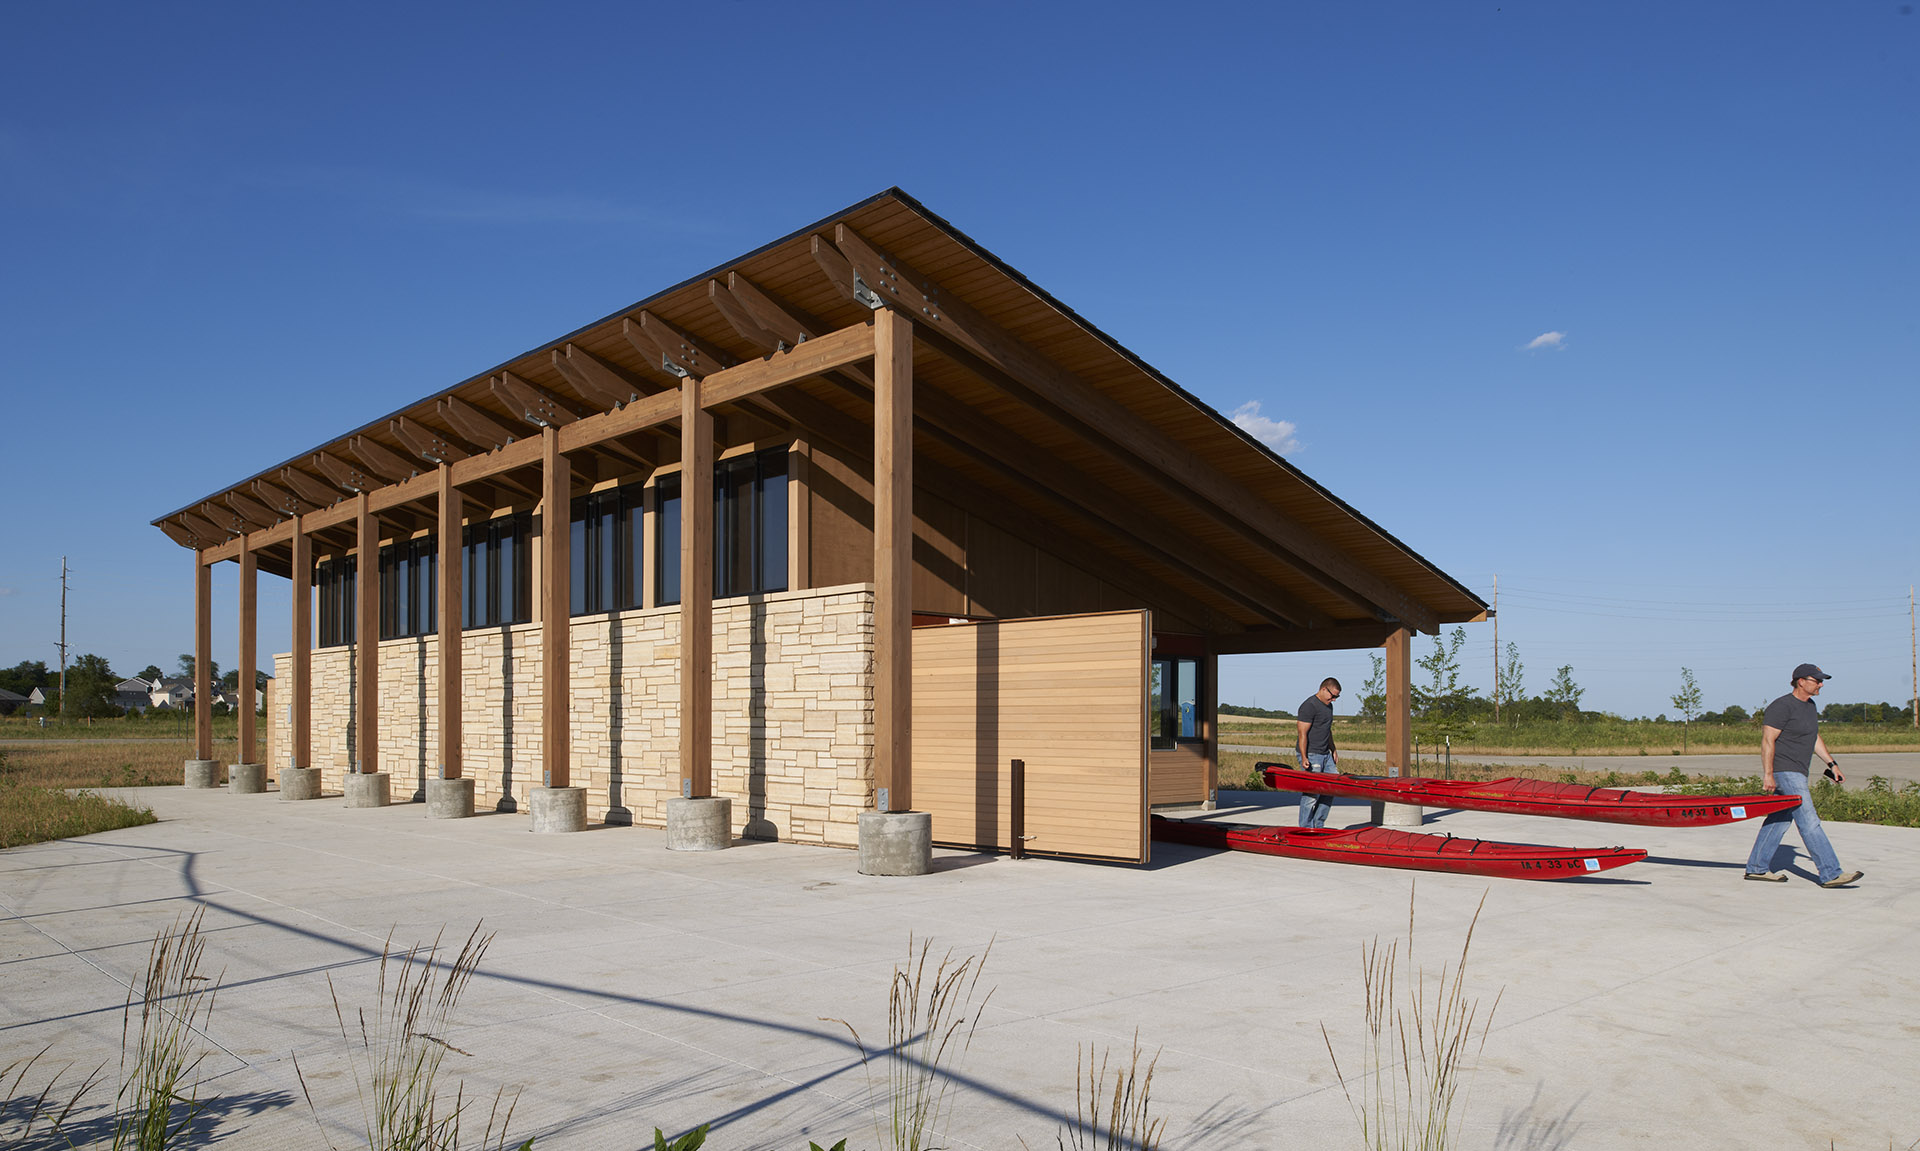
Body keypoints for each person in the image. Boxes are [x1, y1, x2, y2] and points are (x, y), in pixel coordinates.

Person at [1745, 663, 1863, 887]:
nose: (1821, 684)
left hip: (1798, 770)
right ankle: (1831, 873)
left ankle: (1757, 868)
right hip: (1785, 771)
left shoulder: (1810, 707)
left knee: (1779, 819)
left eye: (1822, 681)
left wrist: (1832, 764)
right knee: (1809, 821)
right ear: (1801, 681)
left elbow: (1814, 738)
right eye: (1817, 680)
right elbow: (1767, 741)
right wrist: (1768, 774)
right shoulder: (1782, 706)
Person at [1295, 677, 1341, 828]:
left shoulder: (1328, 706)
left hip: (1326, 754)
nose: (1333, 700)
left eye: (1336, 697)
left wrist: (1333, 749)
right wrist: (1303, 756)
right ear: (1323, 689)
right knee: (1312, 794)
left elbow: (1327, 730)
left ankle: (1318, 824)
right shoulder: (1309, 706)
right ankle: (1305, 827)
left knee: (1332, 787)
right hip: (1311, 754)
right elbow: (1302, 734)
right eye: (1332, 696)